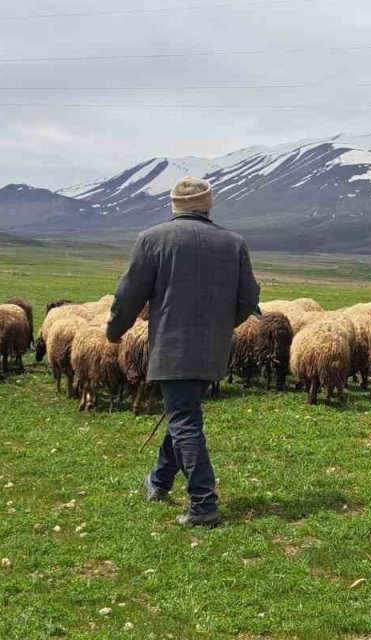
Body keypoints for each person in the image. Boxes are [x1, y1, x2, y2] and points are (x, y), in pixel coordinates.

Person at [106, 176, 260, 527]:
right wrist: (223, 326)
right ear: (209, 204)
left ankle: (204, 505)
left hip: (173, 348)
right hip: (214, 350)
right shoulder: (233, 243)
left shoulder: (153, 239)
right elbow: (249, 298)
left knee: (185, 421)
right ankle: (158, 481)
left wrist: (115, 332)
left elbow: (129, 294)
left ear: (173, 205)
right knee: (182, 413)